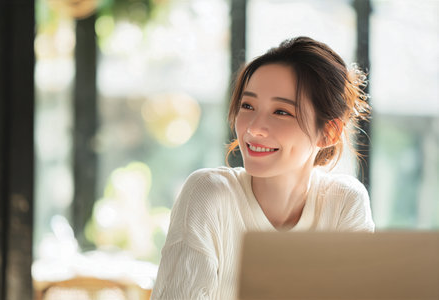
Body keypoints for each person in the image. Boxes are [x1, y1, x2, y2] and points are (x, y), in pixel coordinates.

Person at [150, 36, 375, 300]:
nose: (253, 127)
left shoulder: (344, 202)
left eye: (281, 112)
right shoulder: (208, 195)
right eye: (248, 106)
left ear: (329, 132)